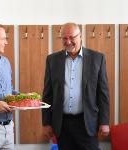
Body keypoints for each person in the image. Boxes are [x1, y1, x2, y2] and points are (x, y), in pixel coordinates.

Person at [42, 22, 110, 150]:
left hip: (87, 123)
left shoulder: (97, 59)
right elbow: (47, 94)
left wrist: (104, 122)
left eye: (71, 37)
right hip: (62, 125)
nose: (68, 41)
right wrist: (46, 123)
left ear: (80, 36)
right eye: (64, 38)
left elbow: (103, 94)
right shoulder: (52, 60)